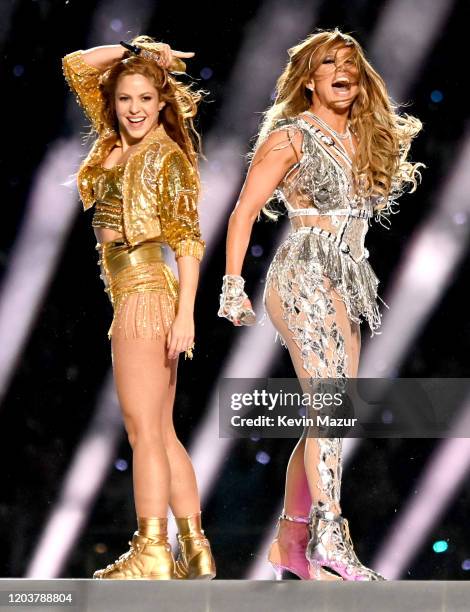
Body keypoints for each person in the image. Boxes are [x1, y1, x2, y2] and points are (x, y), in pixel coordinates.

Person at [218, 29, 422, 581]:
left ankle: (291, 541)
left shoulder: (364, 135)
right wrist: (232, 285)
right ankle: (330, 535)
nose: (343, 71)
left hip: (348, 279)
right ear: (309, 77)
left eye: (351, 64)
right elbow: (242, 213)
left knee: (331, 414)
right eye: (330, 62)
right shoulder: (292, 137)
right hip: (304, 273)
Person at [62, 36, 215, 580]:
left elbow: (188, 240)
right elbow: (76, 66)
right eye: (125, 98)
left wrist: (186, 314)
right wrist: (136, 50)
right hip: (131, 292)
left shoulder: (165, 155)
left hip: (146, 294)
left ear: (161, 102)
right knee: (160, 429)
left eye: (146, 98)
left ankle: (152, 549)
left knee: (142, 431)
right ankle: (194, 550)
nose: (134, 109)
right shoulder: (114, 142)